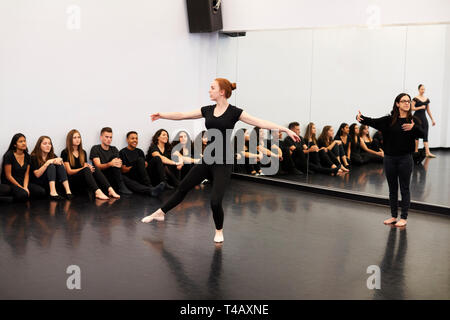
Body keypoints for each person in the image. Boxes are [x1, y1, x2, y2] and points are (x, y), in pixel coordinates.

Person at [141, 78, 300, 243]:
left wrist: (285, 129)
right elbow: (182, 115)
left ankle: (219, 230)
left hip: (223, 162)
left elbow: (259, 122)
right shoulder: (208, 110)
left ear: (222, 92)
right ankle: (161, 213)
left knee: (215, 201)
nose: (209, 91)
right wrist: (162, 115)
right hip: (208, 159)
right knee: (183, 187)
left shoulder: (235, 112)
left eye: (212, 88)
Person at [356, 93, 424, 227]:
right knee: (392, 189)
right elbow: (372, 121)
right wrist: (360, 118)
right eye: (404, 101)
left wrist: (413, 128)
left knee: (404, 188)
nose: (407, 103)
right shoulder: (388, 120)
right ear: (397, 104)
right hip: (389, 159)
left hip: (405, 159)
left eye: (408, 101)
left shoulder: (413, 120)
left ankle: (403, 217)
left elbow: (423, 134)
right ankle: (393, 216)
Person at [62, 129, 119, 200]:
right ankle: (97, 192)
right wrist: (84, 168)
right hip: (73, 181)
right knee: (86, 169)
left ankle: (110, 189)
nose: (77, 139)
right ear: (70, 139)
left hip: (83, 180)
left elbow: (85, 166)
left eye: (79, 137)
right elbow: (69, 172)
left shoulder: (83, 152)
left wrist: (90, 168)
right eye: (74, 137)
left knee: (95, 168)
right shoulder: (65, 152)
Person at [1, 133, 46, 201]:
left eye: (24, 141)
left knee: (41, 192)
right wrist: (20, 187)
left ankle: (23, 195)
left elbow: (26, 174)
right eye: (20, 141)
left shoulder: (27, 156)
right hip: (11, 183)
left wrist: (25, 187)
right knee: (23, 194)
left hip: (23, 181)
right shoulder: (9, 155)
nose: (24, 143)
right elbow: (8, 176)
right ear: (15, 144)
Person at [119, 131, 165, 197]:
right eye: (132, 138)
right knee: (140, 160)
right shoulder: (122, 152)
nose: (135, 140)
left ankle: (163, 183)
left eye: (136, 138)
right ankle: (149, 186)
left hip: (143, 175)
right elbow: (123, 170)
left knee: (157, 158)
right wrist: (138, 165)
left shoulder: (140, 151)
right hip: (132, 176)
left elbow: (145, 166)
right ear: (127, 140)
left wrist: (144, 165)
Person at [89, 127, 132, 195]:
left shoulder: (114, 149)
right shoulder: (95, 148)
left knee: (130, 182)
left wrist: (119, 163)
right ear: (101, 137)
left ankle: (150, 190)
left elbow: (118, 165)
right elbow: (97, 167)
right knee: (114, 157)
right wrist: (110, 164)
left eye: (110, 137)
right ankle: (121, 186)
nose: (109, 139)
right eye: (107, 137)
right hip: (102, 178)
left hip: (114, 177)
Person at [30, 136, 73, 200]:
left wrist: (60, 160)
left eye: (49, 143)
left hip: (50, 181)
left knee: (60, 165)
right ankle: (52, 193)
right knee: (51, 166)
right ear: (39, 146)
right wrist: (48, 162)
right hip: (38, 182)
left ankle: (68, 192)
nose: (48, 145)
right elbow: (37, 174)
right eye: (45, 144)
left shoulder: (52, 155)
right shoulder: (34, 157)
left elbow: (63, 169)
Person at [412, 84, 436, 158]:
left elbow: (428, 111)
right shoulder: (415, 99)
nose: (423, 90)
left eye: (424, 89)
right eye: (422, 89)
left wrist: (432, 119)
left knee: (425, 133)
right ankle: (415, 151)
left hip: (424, 118)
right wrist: (420, 107)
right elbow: (412, 108)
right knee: (416, 134)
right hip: (416, 118)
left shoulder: (426, 99)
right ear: (418, 89)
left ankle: (427, 152)